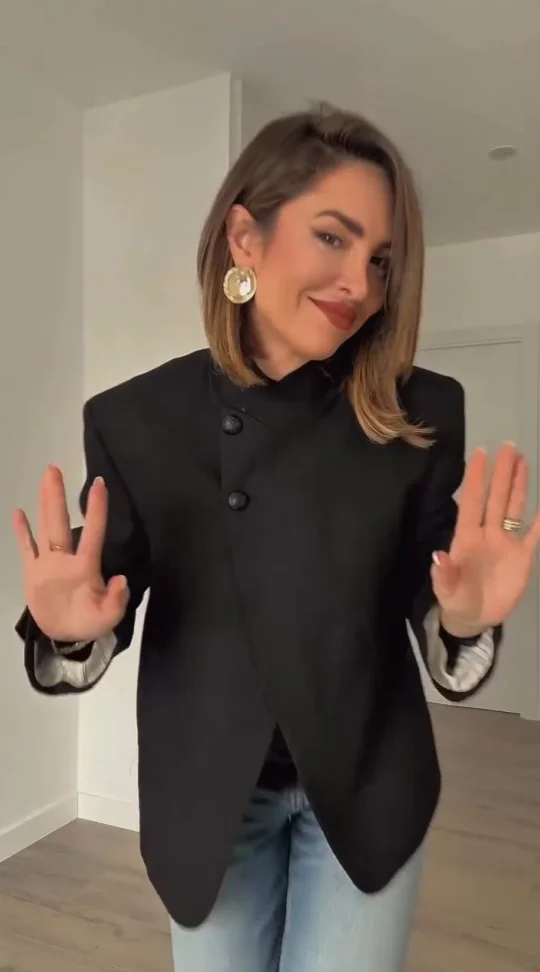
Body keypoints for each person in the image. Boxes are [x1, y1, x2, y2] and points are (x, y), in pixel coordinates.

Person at [13, 106, 540, 972]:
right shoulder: (136, 420)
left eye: (381, 261)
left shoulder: (420, 411)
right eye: (332, 238)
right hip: (210, 796)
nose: (359, 283)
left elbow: (434, 586)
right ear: (244, 239)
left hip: (364, 784)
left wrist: (462, 619)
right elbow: (107, 587)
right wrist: (71, 631)